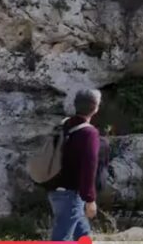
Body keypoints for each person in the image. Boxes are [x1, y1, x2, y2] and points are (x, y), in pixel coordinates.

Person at [48, 88, 102, 241]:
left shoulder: (64, 125)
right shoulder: (89, 133)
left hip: (54, 189)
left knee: (82, 235)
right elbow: (89, 167)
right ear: (95, 108)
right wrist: (90, 199)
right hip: (71, 194)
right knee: (61, 238)